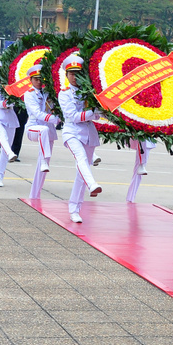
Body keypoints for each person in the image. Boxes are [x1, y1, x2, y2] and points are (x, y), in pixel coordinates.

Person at [57, 55, 103, 223]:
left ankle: (74, 208)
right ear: (67, 75)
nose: (75, 77)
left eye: (78, 73)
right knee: (81, 159)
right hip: (72, 132)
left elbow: (98, 116)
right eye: (71, 74)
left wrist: (101, 110)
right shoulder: (64, 94)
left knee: (81, 172)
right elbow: (73, 116)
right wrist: (94, 112)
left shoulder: (90, 92)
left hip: (89, 133)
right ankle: (92, 184)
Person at [23, 64, 60, 199]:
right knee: (43, 129)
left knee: (44, 168)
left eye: (41, 79)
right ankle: (44, 160)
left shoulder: (48, 93)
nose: (39, 82)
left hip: (48, 131)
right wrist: (54, 119)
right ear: (31, 80)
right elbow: (38, 114)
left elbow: (55, 108)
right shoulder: (29, 94)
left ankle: (34, 195)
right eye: (36, 79)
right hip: (34, 128)